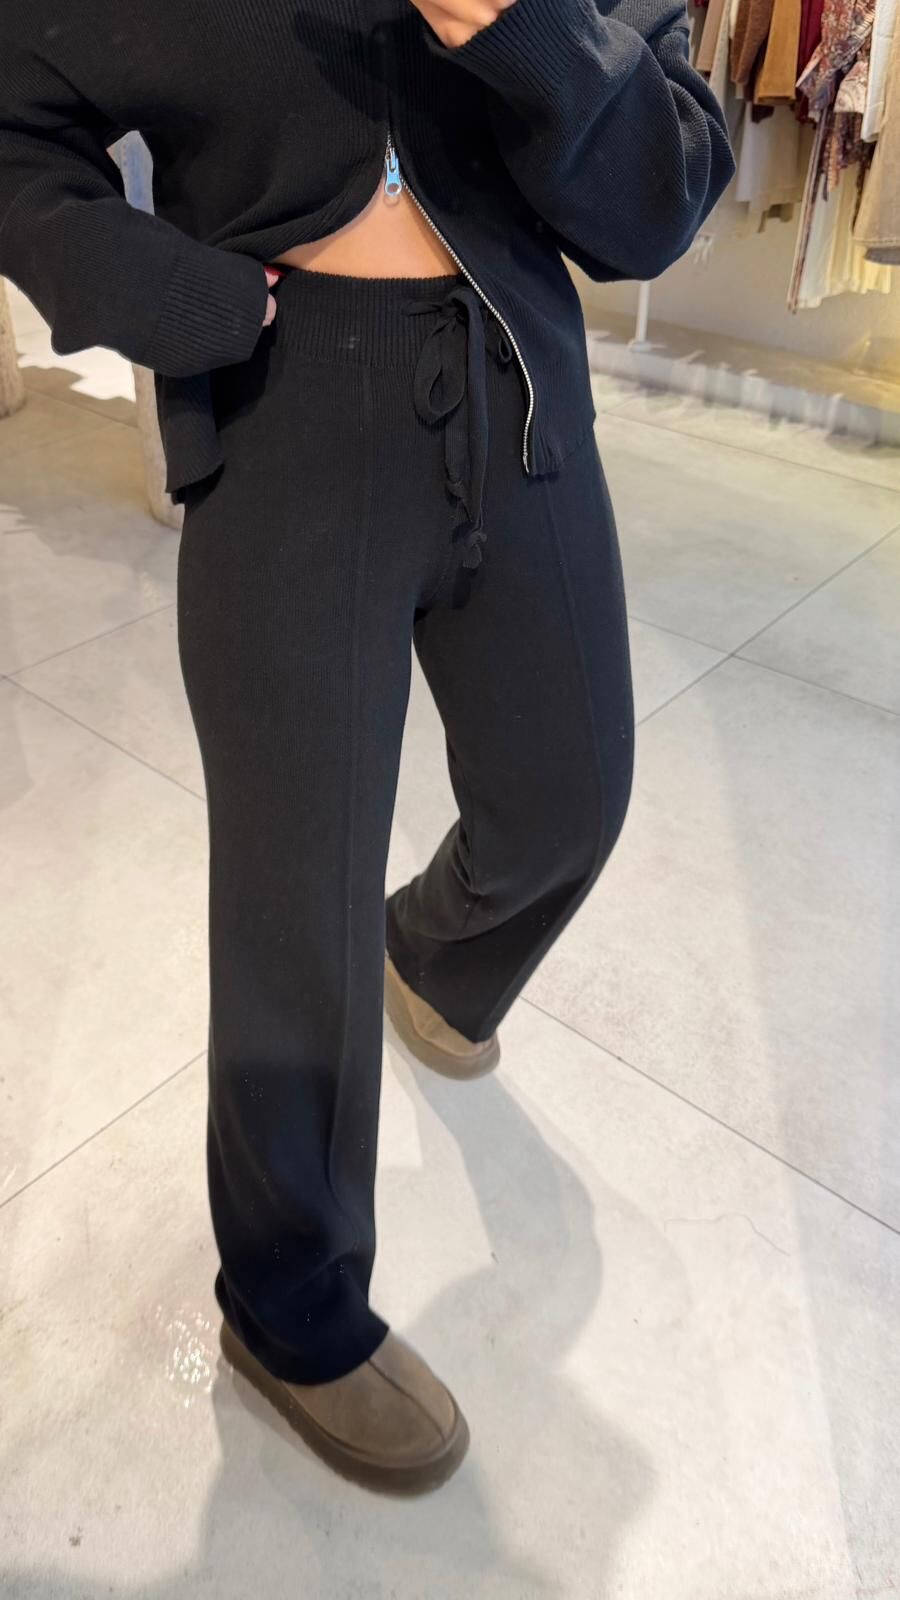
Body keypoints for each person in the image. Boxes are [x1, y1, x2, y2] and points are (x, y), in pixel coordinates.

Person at [0, 0, 734, 1495]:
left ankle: (437, 956)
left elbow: (660, 199)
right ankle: (292, 1307)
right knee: (296, 906)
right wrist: (159, 292)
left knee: (569, 796)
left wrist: (524, 31)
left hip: (514, 370)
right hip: (284, 406)